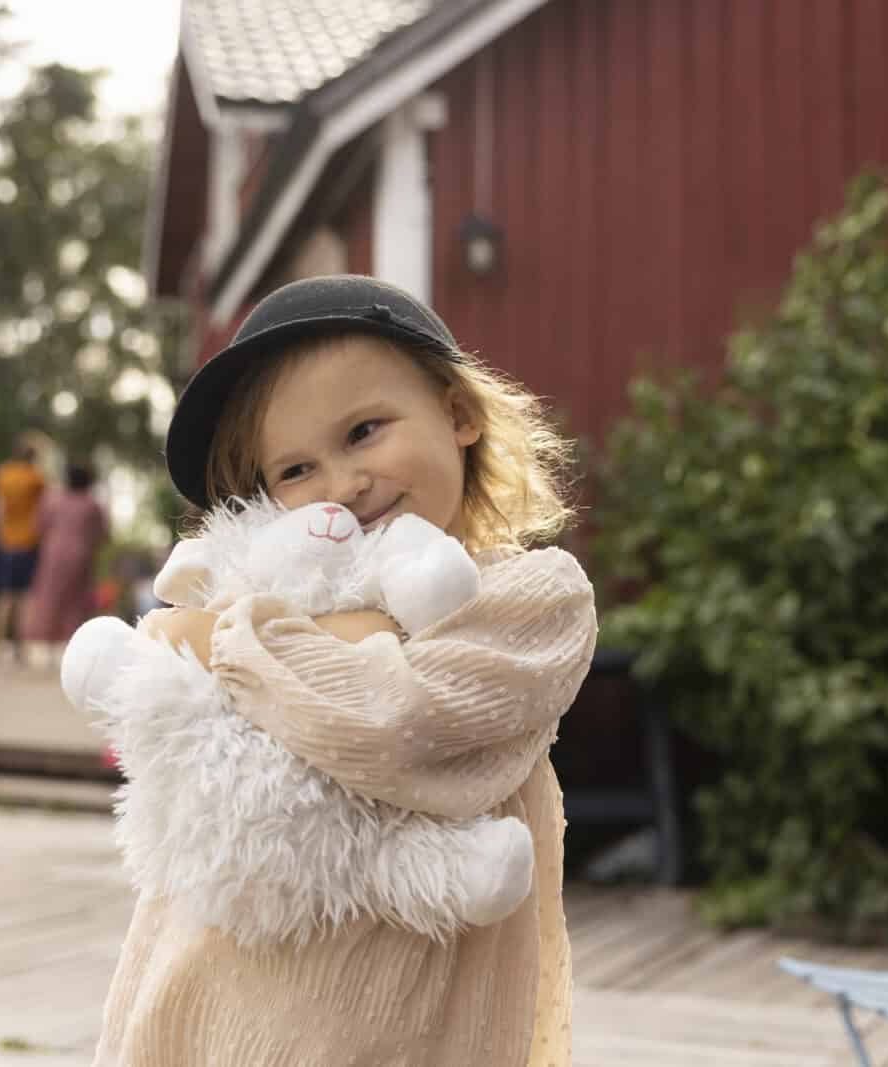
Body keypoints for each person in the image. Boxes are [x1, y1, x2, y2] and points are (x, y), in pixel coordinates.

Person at [90, 274, 597, 1067]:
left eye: (363, 430)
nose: (342, 484)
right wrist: (295, 629)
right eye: (295, 471)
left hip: (395, 1035)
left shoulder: (529, 596)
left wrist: (222, 638)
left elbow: (396, 721)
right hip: (201, 1012)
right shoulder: (260, 592)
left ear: (457, 412)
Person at [21, 463, 110, 646]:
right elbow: (103, 534)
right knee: (76, 601)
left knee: (49, 597)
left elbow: (38, 526)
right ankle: (72, 642)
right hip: (81, 554)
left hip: (53, 553)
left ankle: (43, 641)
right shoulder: (92, 505)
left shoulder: (52, 500)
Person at [0, 436, 47, 658]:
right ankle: (19, 649)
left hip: (5, 541)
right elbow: (43, 512)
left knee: (3, 596)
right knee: (23, 598)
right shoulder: (36, 479)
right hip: (29, 542)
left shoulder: (2, 474)